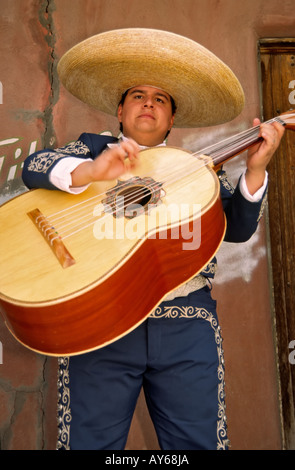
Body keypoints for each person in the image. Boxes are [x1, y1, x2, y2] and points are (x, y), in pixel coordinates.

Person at [22, 29, 285, 450]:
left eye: (160, 99)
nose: (149, 103)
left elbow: (235, 228)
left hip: (186, 323)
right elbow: (36, 165)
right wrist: (92, 171)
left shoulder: (198, 167)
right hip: (101, 317)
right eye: (139, 95)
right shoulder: (90, 149)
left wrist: (255, 170)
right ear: (121, 110)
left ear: (171, 119)